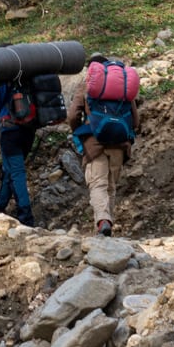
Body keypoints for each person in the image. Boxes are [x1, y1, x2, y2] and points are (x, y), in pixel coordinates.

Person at [66, 54, 138, 237]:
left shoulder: (86, 87)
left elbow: (73, 115)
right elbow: (136, 120)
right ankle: (107, 225)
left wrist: (80, 132)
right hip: (119, 144)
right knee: (111, 186)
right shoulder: (121, 88)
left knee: (98, 184)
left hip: (95, 144)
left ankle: (102, 222)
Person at [0, 79, 41, 226]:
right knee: (10, 170)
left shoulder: (4, 77)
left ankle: (26, 217)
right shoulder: (32, 74)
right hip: (29, 130)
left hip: (10, 131)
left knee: (16, 172)